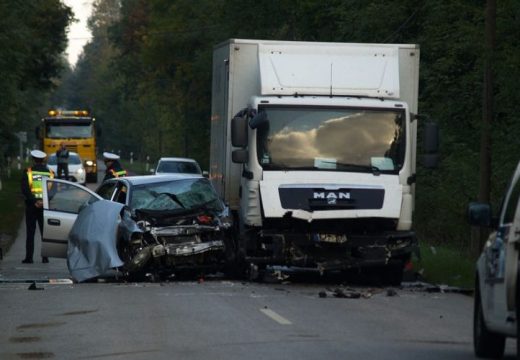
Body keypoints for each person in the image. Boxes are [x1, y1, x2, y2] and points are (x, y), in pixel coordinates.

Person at [21, 150, 54, 264]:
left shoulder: (28, 172)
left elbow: (25, 189)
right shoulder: (50, 172)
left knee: (30, 232)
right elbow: (53, 190)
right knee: (44, 232)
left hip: (31, 206)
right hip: (44, 206)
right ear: (43, 160)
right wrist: (43, 201)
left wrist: (34, 201)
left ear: (33, 159)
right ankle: (45, 257)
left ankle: (29, 258)